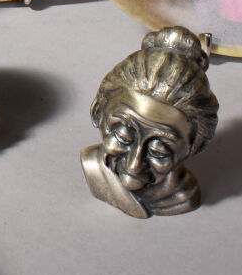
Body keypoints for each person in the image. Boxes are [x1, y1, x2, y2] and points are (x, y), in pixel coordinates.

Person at [81, 27, 219, 218]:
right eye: (122, 137)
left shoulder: (183, 195)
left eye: (159, 151)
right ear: (97, 112)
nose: (134, 165)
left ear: (195, 147)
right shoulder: (94, 165)